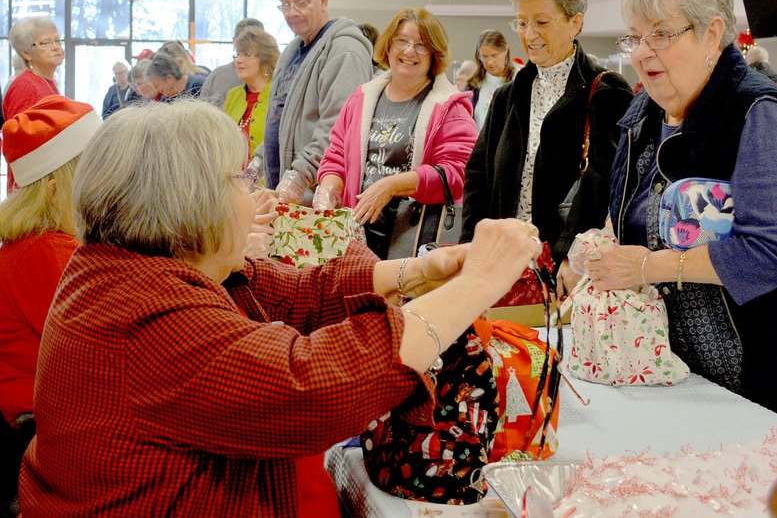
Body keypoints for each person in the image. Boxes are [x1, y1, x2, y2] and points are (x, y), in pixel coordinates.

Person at [17, 98, 541, 516]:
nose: (254, 194)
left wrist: (426, 270)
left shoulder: (142, 266)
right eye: (241, 180)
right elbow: (315, 384)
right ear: (191, 201)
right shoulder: (146, 312)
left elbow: (297, 293)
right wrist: (479, 283)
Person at [571, 0, 777, 422]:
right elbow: (623, 214)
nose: (641, 52)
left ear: (713, 33)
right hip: (658, 366)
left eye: (660, 34)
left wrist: (647, 266)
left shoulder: (757, 112)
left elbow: (776, 251)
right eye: (634, 37)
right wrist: (597, 246)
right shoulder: (644, 111)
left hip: (751, 378)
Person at [460, 0, 633, 268]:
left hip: (567, 266)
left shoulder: (606, 91)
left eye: (541, 22)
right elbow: (478, 177)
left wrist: (567, 253)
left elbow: (604, 182)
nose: (529, 35)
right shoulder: (508, 96)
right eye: (522, 23)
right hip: (503, 263)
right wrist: (470, 247)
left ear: (575, 22)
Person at [0, 96, 102, 517]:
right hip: (32, 430)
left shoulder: (36, 245)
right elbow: (99, 345)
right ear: (58, 188)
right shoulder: (48, 253)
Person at [316, 8, 478, 259]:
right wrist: (327, 192)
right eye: (401, 40)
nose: (409, 51)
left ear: (434, 53)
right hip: (357, 239)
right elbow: (336, 156)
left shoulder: (449, 107)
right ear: (389, 45)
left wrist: (392, 186)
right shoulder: (362, 98)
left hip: (412, 241)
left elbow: (457, 172)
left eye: (421, 45)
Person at [266, 0, 372, 201]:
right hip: (280, 187)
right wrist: (260, 157)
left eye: (301, 3)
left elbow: (338, 124)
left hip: (311, 193)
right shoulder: (293, 50)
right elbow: (279, 115)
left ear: (323, 0)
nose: (292, 12)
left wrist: (301, 174)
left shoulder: (345, 50)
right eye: (285, 4)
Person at [2, 17, 65, 191]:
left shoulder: (46, 81)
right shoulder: (25, 86)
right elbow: (21, 145)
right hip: (34, 189)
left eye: (57, 40)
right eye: (45, 43)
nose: (56, 47)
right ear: (25, 53)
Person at [223, 27, 280, 166]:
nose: (239, 61)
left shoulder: (280, 95)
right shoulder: (233, 95)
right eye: (238, 55)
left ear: (265, 60)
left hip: (267, 182)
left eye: (247, 55)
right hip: (234, 180)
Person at [201, 17, 265, 108]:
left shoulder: (276, 76)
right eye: (243, 39)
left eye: (254, 39)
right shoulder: (217, 76)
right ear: (234, 41)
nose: (248, 44)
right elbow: (202, 113)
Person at [466, 29, 518, 130]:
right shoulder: (472, 86)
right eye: (485, 56)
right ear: (479, 56)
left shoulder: (520, 80)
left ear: (505, 50)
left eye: (494, 55)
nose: (490, 62)